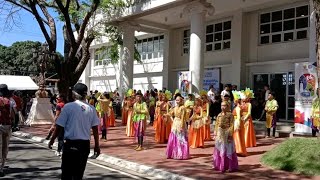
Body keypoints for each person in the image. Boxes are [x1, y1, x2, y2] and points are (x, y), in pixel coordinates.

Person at [48, 83, 100, 180]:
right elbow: (95, 129)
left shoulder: (68, 107)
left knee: (66, 174)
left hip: (70, 144)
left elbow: (59, 126)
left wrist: (52, 140)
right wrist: (97, 145)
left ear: (74, 94)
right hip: (84, 145)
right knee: (78, 175)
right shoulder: (91, 109)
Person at [212, 101, 238, 173]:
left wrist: (230, 135)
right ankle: (220, 165)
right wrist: (215, 132)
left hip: (227, 134)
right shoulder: (219, 115)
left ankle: (229, 166)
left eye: (224, 106)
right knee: (220, 150)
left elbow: (232, 125)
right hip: (220, 134)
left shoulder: (230, 115)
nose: (222, 107)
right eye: (221, 105)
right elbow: (217, 125)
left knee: (228, 150)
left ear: (228, 106)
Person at [166, 95, 189, 160]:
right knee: (174, 137)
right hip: (175, 123)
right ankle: (174, 153)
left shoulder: (183, 108)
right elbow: (170, 113)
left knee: (181, 138)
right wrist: (167, 108)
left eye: (178, 100)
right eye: (176, 100)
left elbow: (182, 118)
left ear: (181, 101)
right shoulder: (175, 107)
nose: (177, 101)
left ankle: (181, 153)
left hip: (180, 123)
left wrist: (182, 126)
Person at [0, 84, 14, 177]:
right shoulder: (11, 101)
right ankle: (1, 168)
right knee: (5, 148)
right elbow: (13, 114)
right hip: (7, 125)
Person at [232, 91, 247, 156]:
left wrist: (236, 124)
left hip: (237, 123)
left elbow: (238, 117)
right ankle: (238, 149)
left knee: (237, 136)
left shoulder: (238, 108)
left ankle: (238, 149)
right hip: (237, 122)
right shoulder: (238, 107)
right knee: (237, 136)